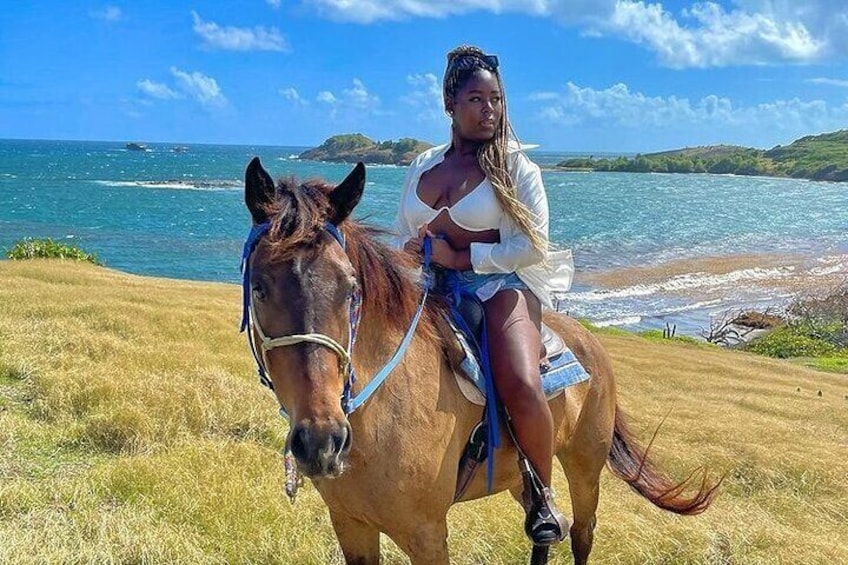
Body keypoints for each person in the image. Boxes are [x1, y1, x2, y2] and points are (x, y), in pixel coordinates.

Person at [391, 45, 574, 545]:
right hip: (428, 285)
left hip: (501, 286)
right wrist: (408, 254)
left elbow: (531, 246)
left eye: (496, 99)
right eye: (476, 98)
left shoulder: (516, 168)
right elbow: (401, 231)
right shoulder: (423, 164)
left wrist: (462, 260)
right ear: (449, 103)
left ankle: (540, 493)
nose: (489, 109)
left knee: (518, 378)